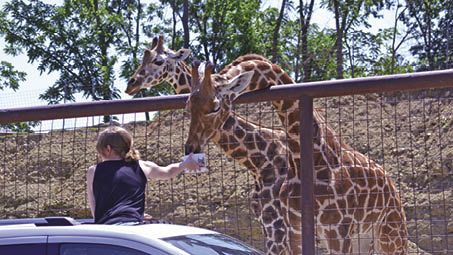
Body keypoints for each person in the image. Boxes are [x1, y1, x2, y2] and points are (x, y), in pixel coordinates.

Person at [86, 126, 199, 225]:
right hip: (134, 223)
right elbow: (167, 172)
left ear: (108, 149)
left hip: (108, 229)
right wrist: (185, 164)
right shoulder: (141, 166)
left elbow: (94, 208)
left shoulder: (93, 171)